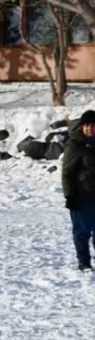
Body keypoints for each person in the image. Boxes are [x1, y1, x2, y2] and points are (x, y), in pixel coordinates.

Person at [61, 109, 95, 271]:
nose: (90, 128)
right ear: (82, 127)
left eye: (93, 125)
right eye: (87, 125)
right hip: (82, 197)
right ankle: (84, 263)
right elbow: (67, 172)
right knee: (82, 233)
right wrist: (70, 196)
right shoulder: (75, 145)